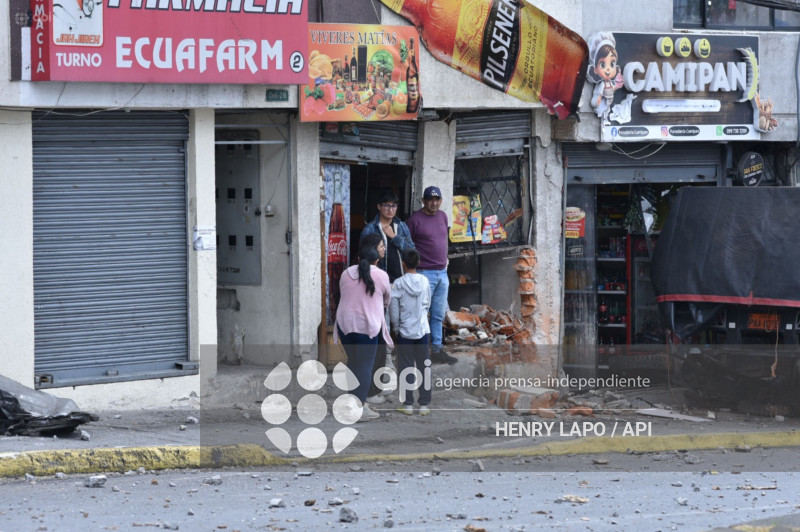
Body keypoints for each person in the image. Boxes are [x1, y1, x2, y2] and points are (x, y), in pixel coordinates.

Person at [334, 236, 392, 421]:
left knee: (353, 363)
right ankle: (360, 408)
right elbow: (387, 299)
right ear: (376, 260)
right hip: (367, 326)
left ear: (359, 259)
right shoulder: (381, 275)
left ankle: (353, 404)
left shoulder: (345, 274)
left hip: (345, 325)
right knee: (365, 366)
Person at [407, 186, 458, 364]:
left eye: (437, 200)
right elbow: (407, 247)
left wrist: (445, 260)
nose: (434, 203)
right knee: (419, 313)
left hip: (442, 272)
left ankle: (437, 349)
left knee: (437, 314)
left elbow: (444, 240)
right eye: (430, 199)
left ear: (441, 201)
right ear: (423, 200)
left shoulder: (443, 216)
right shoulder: (414, 220)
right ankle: (418, 352)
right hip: (423, 273)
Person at [389, 249, 431, 415]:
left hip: (405, 331)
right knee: (424, 366)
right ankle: (424, 406)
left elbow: (393, 309)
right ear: (419, 263)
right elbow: (428, 304)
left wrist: (396, 327)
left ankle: (407, 405)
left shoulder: (398, 283)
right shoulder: (425, 281)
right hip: (422, 329)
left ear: (403, 264)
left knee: (405, 367)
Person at [359, 191, 416, 283]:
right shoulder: (370, 229)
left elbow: (412, 251)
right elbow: (364, 256)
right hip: (378, 280)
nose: (390, 210)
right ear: (379, 206)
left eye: (394, 206)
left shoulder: (402, 226)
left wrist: (394, 237)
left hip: (401, 280)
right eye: (387, 205)